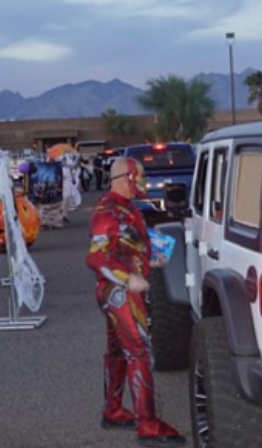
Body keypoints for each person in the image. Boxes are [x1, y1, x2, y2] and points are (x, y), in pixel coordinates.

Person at [86, 157, 185, 446]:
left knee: (118, 350)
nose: (142, 181)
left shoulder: (124, 208)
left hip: (116, 292)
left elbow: (128, 247)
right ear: (126, 177)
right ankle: (147, 424)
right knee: (139, 352)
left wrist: (150, 260)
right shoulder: (108, 212)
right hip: (120, 294)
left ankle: (113, 409)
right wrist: (128, 278)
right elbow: (96, 256)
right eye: (138, 176)